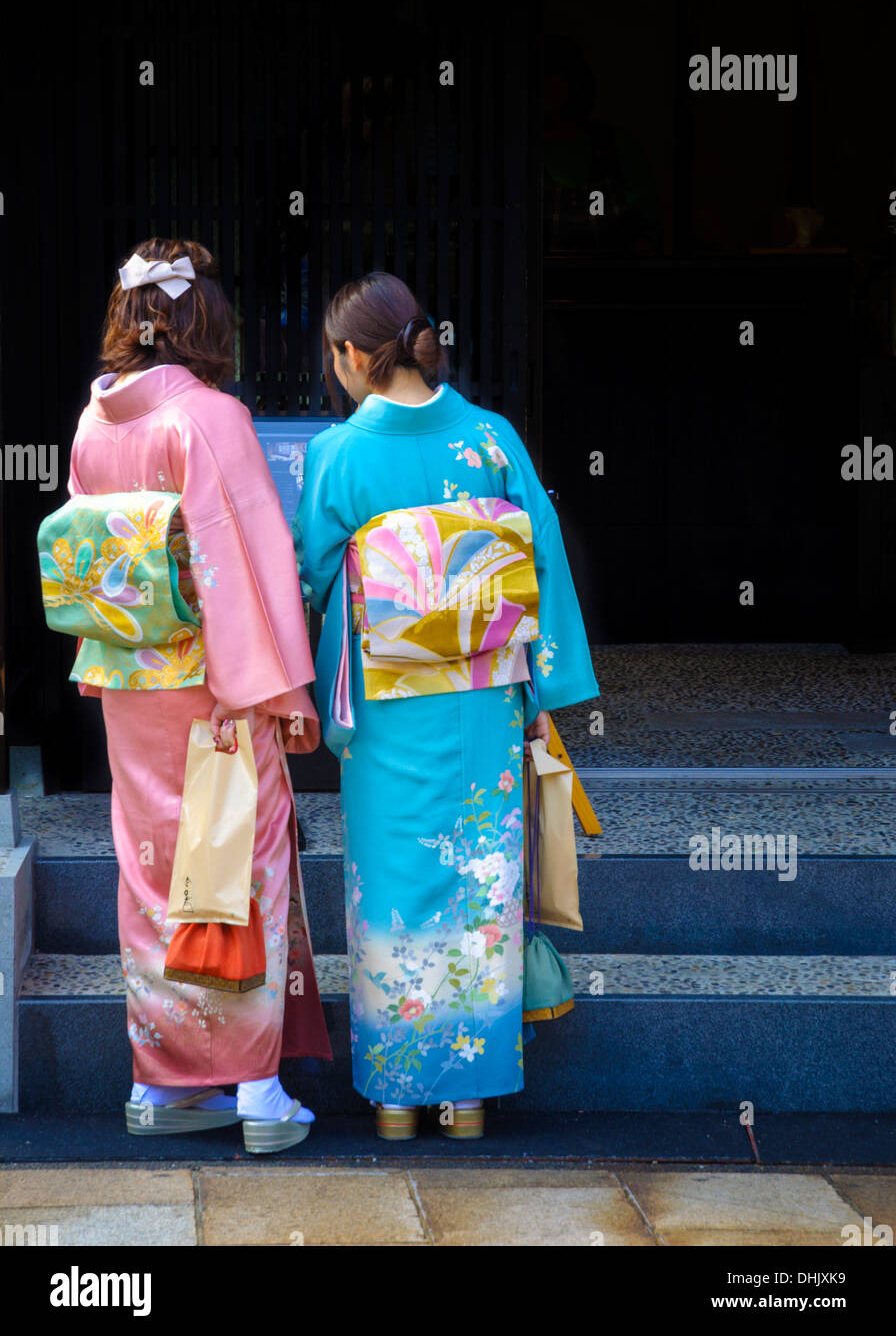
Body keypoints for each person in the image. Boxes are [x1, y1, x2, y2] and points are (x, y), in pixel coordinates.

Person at [294, 271, 598, 1140]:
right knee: (478, 882)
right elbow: (541, 571)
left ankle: (394, 1096)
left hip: (388, 706)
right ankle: (467, 1095)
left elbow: (312, 580)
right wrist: (544, 692)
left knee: (392, 886)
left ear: (354, 356)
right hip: (482, 705)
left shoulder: (339, 457)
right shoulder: (491, 441)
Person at [63, 238, 332, 1153]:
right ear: (207, 323)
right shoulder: (209, 416)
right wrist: (282, 690)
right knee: (234, 869)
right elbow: (246, 561)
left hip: (130, 683)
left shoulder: (93, 424)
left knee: (149, 874)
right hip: (219, 685)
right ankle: (255, 1089)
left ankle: (163, 1082)